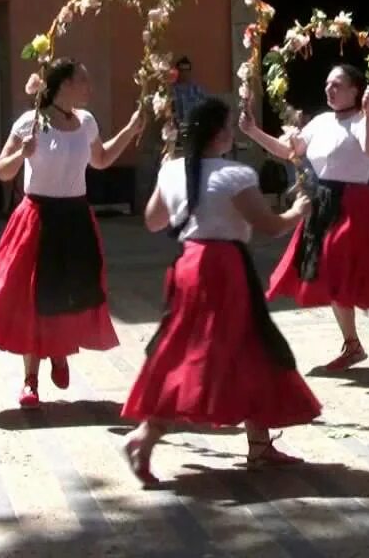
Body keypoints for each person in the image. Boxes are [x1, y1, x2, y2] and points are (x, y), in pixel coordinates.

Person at [122, 98, 319, 486]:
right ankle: (146, 437)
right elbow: (270, 225)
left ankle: (256, 443)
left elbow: (152, 221)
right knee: (228, 351)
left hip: (188, 266)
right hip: (224, 268)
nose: (233, 133)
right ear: (219, 134)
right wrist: (299, 210)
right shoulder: (235, 175)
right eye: (229, 127)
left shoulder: (173, 170)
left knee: (208, 349)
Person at [0, 59, 144, 408]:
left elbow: (100, 160)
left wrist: (128, 130)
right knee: (33, 298)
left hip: (76, 216)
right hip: (38, 216)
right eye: (82, 81)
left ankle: (58, 350)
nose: (89, 88)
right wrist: (22, 154)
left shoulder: (86, 122)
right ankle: (30, 381)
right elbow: (3, 171)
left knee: (73, 293)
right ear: (63, 85)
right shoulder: (31, 122)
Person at [239, 64, 369, 371]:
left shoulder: (362, 121)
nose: (329, 90)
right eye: (327, 84)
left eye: (337, 84)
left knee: (339, 264)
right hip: (322, 200)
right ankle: (352, 343)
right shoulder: (322, 121)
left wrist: (368, 111)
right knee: (323, 270)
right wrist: (252, 131)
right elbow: (290, 151)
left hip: (354, 202)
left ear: (355, 89)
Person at [171, 56, 207, 127]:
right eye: (182, 70)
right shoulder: (173, 90)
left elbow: (205, 106)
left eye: (187, 70)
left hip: (194, 126)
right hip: (177, 129)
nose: (184, 73)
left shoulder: (196, 89)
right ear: (177, 71)